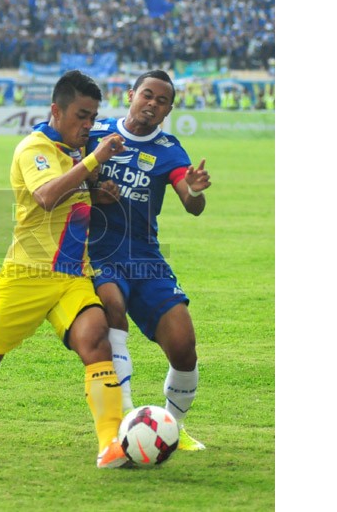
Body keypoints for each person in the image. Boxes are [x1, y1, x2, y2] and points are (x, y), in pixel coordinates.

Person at [0, 70, 130, 469]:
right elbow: (45, 196)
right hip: (26, 275)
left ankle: (111, 444)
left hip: (72, 275)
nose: (87, 125)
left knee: (96, 341)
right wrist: (96, 158)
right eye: (81, 115)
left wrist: (97, 193)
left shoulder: (75, 148)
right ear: (56, 110)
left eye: (92, 117)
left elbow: (74, 194)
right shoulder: (34, 149)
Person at [86, 69, 212, 451]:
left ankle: (173, 426)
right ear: (130, 95)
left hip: (145, 257)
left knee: (184, 347)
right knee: (112, 307)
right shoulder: (97, 133)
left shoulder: (170, 150)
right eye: (147, 95)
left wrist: (194, 189)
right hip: (100, 251)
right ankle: (126, 420)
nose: (152, 104)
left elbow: (192, 205)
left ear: (168, 109)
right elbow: (67, 174)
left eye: (161, 101)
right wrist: (93, 189)